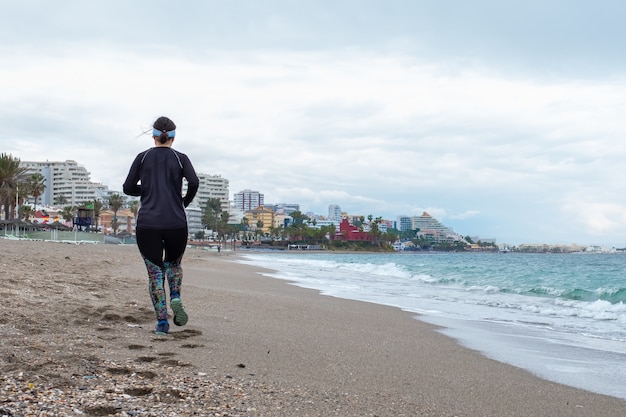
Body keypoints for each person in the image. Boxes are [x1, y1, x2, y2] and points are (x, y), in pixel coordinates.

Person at [123, 116, 200, 335]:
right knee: (173, 265)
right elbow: (194, 182)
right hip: (176, 223)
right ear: (173, 138)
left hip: (148, 225)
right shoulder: (180, 158)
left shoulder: (143, 157)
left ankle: (162, 323)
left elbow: (128, 187)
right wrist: (183, 201)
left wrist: (147, 189)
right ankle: (175, 296)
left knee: (155, 273)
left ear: (154, 136)